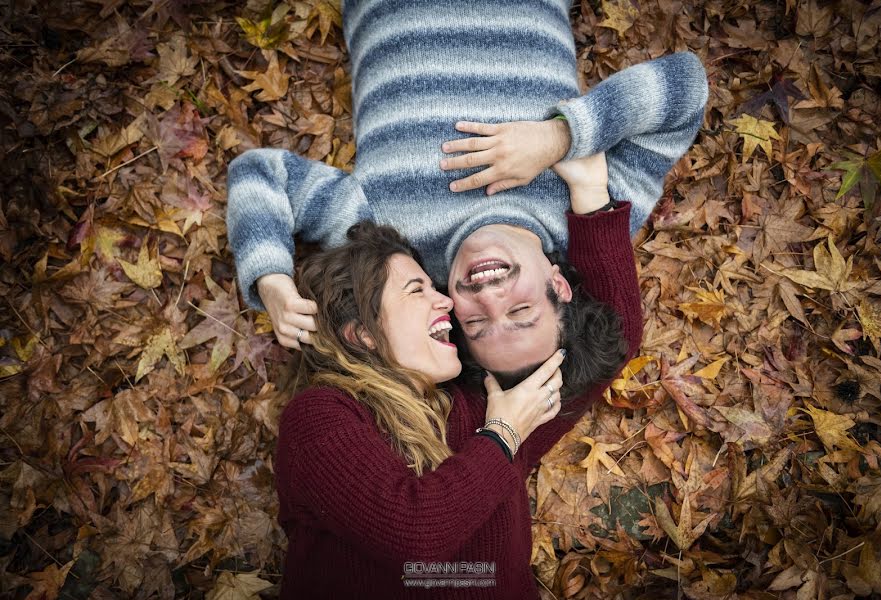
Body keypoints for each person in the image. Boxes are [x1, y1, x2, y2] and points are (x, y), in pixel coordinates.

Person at [226, 0, 708, 394]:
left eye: (476, 325)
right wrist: (558, 138)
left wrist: (270, 281)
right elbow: (686, 87)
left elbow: (260, 174)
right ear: (559, 287)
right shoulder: (589, 205)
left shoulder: (393, 243)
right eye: (520, 313)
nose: (489, 298)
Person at [275, 154, 642, 599]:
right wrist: (504, 435)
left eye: (435, 288)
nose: (447, 302)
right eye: (418, 290)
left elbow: (610, 341)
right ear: (364, 335)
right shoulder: (321, 418)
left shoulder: (484, 408)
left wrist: (590, 197)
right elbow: (415, 537)